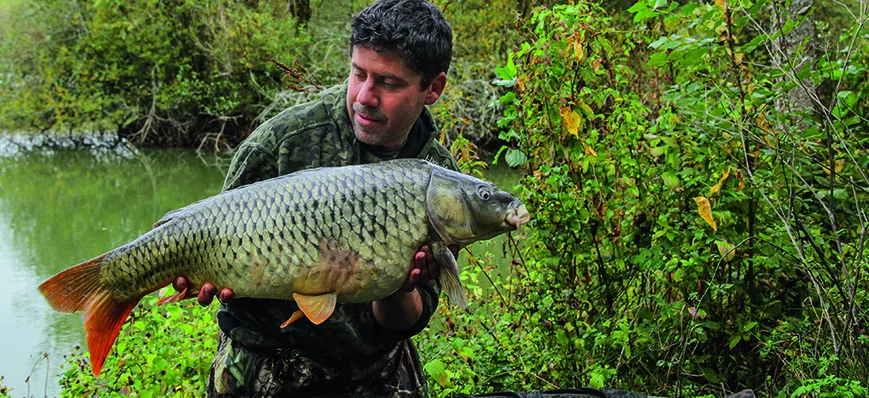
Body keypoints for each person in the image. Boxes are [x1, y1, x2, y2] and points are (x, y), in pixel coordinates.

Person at [172, 0, 459, 396]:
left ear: (433, 88)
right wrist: (206, 275)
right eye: (358, 74)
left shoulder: (440, 183)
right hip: (266, 362)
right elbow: (217, 235)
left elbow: (406, 320)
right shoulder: (282, 143)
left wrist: (398, 282)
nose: (364, 96)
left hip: (374, 368)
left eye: (389, 83)